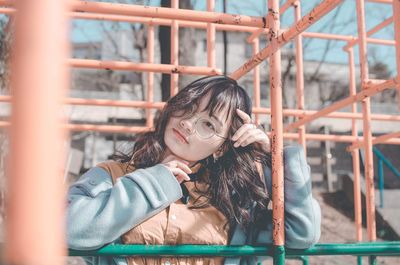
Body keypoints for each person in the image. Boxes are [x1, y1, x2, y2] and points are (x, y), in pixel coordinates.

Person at [67, 76, 321, 265]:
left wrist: (273, 161)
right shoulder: (113, 175)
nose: (187, 124)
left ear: (222, 146)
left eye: (208, 124)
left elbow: (300, 237)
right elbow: (64, 229)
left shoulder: (234, 201)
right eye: (187, 108)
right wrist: (154, 183)